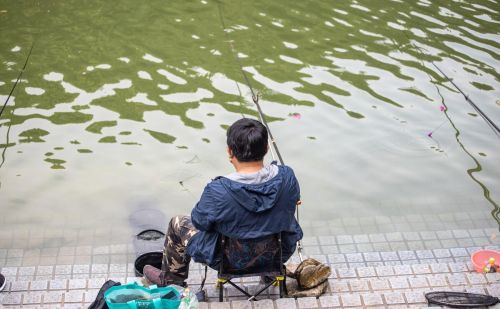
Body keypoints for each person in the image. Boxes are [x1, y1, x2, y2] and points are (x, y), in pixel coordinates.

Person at [143, 118, 303, 286]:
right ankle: (269, 274)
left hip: (228, 261)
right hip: (276, 255)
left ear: (230, 152)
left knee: (177, 223)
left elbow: (199, 221)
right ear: (266, 148)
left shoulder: (217, 190)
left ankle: (171, 282)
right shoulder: (287, 177)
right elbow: (294, 201)